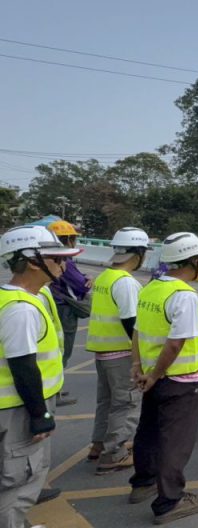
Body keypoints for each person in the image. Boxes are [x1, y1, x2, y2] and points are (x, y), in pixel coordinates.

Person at [129, 232, 198, 524]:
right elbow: (175, 343)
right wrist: (154, 374)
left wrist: (138, 368)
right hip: (180, 380)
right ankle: (169, 501)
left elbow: (138, 331)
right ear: (195, 260)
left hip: (153, 377)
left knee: (149, 431)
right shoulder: (184, 295)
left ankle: (142, 482)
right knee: (175, 441)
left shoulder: (151, 288)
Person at [0, 226, 77, 527]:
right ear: (33, 261)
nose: (64, 265)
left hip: (11, 407)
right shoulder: (21, 309)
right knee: (18, 483)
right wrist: (40, 413)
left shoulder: (13, 299)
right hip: (17, 410)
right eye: (57, 258)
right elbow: (23, 366)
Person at [87, 226, 149, 475]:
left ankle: (98, 445)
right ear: (138, 254)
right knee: (126, 403)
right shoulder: (125, 283)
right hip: (121, 353)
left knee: (107, 401)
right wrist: (140, 357)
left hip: (103, 351)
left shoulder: (104, 277)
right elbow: (131, 323)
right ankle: (115, 453)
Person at [47, 219, 89, 406]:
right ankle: (55, 391)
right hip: (64, 309)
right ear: (70, 240)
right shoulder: (65, 261)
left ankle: (54, 390)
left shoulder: (51, 257)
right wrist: (88, 281)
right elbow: (81, 285)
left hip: (55, 304)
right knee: (63, 350)